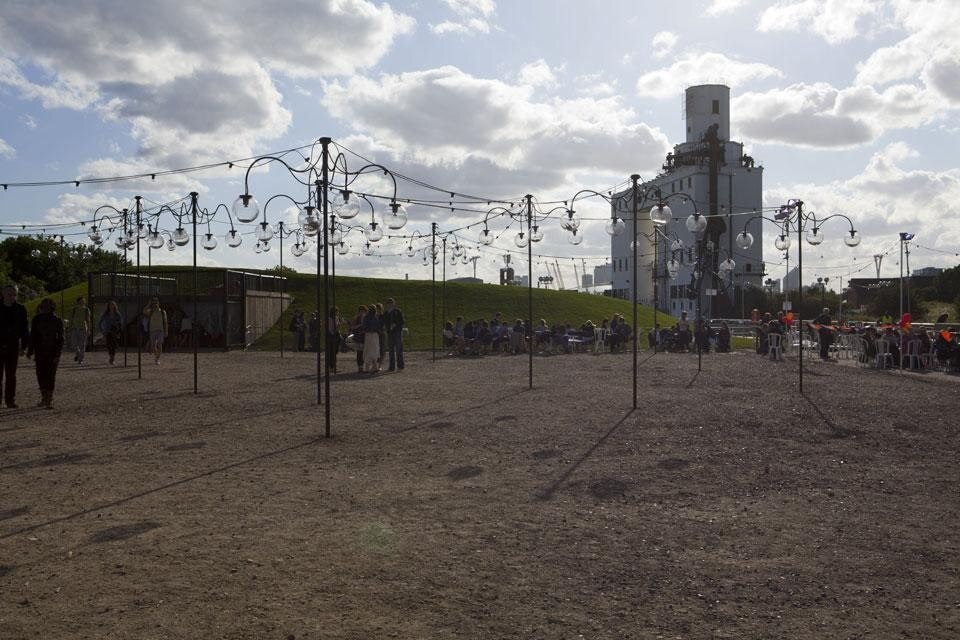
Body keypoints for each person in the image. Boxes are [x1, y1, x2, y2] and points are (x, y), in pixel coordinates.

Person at [26, 298, 64, 409]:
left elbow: (61, 338)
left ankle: (49, 398)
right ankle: (44, 396)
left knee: (51, 375)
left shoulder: (57, 320)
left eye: (48, 306)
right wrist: (30, 350)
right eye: (44, 306)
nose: (46, 308)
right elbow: (33, 336)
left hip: (52, 351)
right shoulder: (37, 319)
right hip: (40, 351)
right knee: (40, 374)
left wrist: (58, 354)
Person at [0, 284, 29, 409]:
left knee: (11, 375)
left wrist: (24, 346)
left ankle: (10, 400)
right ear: (3, 294)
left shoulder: (21, 309)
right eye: (9, 294)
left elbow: (24, 328)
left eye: (14, 294)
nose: (11, 296)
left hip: (13, 345)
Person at [143, 297, 168, 365]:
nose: (155, 304)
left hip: (160, 330)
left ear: (158, 303)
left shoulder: (162, 312)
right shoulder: (151, 311)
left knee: (159, 344)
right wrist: (148, 304)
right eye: (154, 303)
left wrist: (166, 331)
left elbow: (165, 322)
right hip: (152, 330)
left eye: (156, 303)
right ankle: (156, 356)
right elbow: (144, 311)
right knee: (153, 345)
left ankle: (157, 358)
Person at [99, 300, 123, 365]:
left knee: (114, 345)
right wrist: (102, 330)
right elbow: (101, 322)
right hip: (108, 331)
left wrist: (119, 331)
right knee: (109, 345)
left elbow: (120, 323)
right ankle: (111, 357)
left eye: (112, 305)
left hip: (115, 331)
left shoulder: (117, 314)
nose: (111, 306)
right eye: (110, 305)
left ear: (115, 306)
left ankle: (112, 358)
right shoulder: (106, 314)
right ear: (108, 306)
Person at [383, 297, 405, 371]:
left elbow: (402, 321)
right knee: (391, 350)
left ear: (393, 304)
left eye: (391, 303)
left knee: (399, 349)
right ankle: (391, 366)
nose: (390, 305)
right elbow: (384, 322)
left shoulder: (398, 311)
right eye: (389, 303)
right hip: (390, 333)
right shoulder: (386, 313)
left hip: (397, 332)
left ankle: (400, 366)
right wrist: (386, 327)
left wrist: (395, 324)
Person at [69, 296, 91, 364]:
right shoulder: (74, 309)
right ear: (78, 302)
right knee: (74, 344)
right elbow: (71, 319)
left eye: (84, 301)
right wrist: (70, 328)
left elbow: (88, 320)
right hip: (74, 329)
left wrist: (89, 329)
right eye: (81, 301)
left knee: (82, 345)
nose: (83, 302)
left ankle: (81, 359)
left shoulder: (86, 309)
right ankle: (78, 354)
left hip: (83, 329)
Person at [362, 304, 381, 373]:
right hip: (375, 335)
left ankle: (367, 368)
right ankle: (375, 367)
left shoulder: (366, 317)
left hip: (368, 335)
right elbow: (378, 327)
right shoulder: (376, 317)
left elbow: (363, 326)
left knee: (368, 350)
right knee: (375, 350)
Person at [350, 305, 367, 372]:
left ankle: (362, 366)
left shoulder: (367, 318)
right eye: (360, 310)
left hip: (365, 337)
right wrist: (360, 325)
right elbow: (352, 327)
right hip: (358, 337)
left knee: (364, 352)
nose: (362, 312)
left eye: (363, 310)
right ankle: (360, 366)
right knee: (359, 352)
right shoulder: (356, 318)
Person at [327, 307, 340, 373]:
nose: (337, 313)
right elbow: (330, 329)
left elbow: (337, 326)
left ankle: (333, 366)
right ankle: (331, 367)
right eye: (336, 311)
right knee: (332, 352)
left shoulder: (336, 318)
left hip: (336, 335)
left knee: (335, 352)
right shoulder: (330, 319)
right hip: (332, 336)